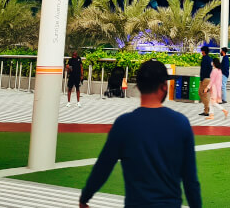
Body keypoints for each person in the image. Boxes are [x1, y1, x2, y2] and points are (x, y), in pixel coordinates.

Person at [79, 59, 201, 208]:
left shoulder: (124, 124)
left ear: (138, 87)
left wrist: (85, 198)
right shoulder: (181, 123)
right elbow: (190, 179)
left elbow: (103, 167)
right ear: (163, 87)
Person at [198, 45, 212, 116]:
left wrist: (202, 79)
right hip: (208, 78)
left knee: (202, 93)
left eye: (202, 51)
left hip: (205, 79)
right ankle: (206, 109)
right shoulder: (210, 59)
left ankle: (206, 110)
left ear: (203, 51)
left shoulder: (205, 59)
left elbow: (203, 70)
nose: (201, 52)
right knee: (203, 94)